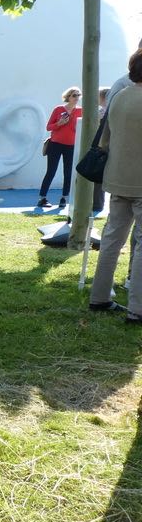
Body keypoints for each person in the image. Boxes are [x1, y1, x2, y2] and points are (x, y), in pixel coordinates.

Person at [88, 49, 142, 322]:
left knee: (111, 239)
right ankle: (137, 309)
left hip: (117, 178)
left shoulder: (119, 97)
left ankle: (99, 297)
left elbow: (104, 140)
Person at [37, 86, 83, 209]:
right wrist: (59, 124)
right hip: (55, 144)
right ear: (68, 97)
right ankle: (42, 198)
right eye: (74, 95)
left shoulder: (80, 111)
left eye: (78, 95)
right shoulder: (58, 109)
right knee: (51, 171)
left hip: (71, 146)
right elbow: (48, 127)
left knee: (68, 173)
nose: (77, 98)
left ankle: (64, 198)